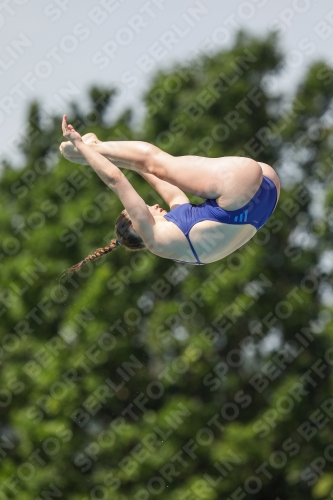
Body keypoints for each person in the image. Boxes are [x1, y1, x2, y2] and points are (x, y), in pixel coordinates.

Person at [60, 115, 280, 273]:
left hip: (266, 195)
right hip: (239, 190)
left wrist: (129, 162)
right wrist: (80, 144)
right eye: (145, 209)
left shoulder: (175, 237)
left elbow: (167, 187)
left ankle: (92, 150)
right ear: (136, 224)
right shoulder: (152, 235)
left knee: (152, 165)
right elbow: (115, 179)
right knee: (154, 159)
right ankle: (92, 147)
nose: (153, 206)